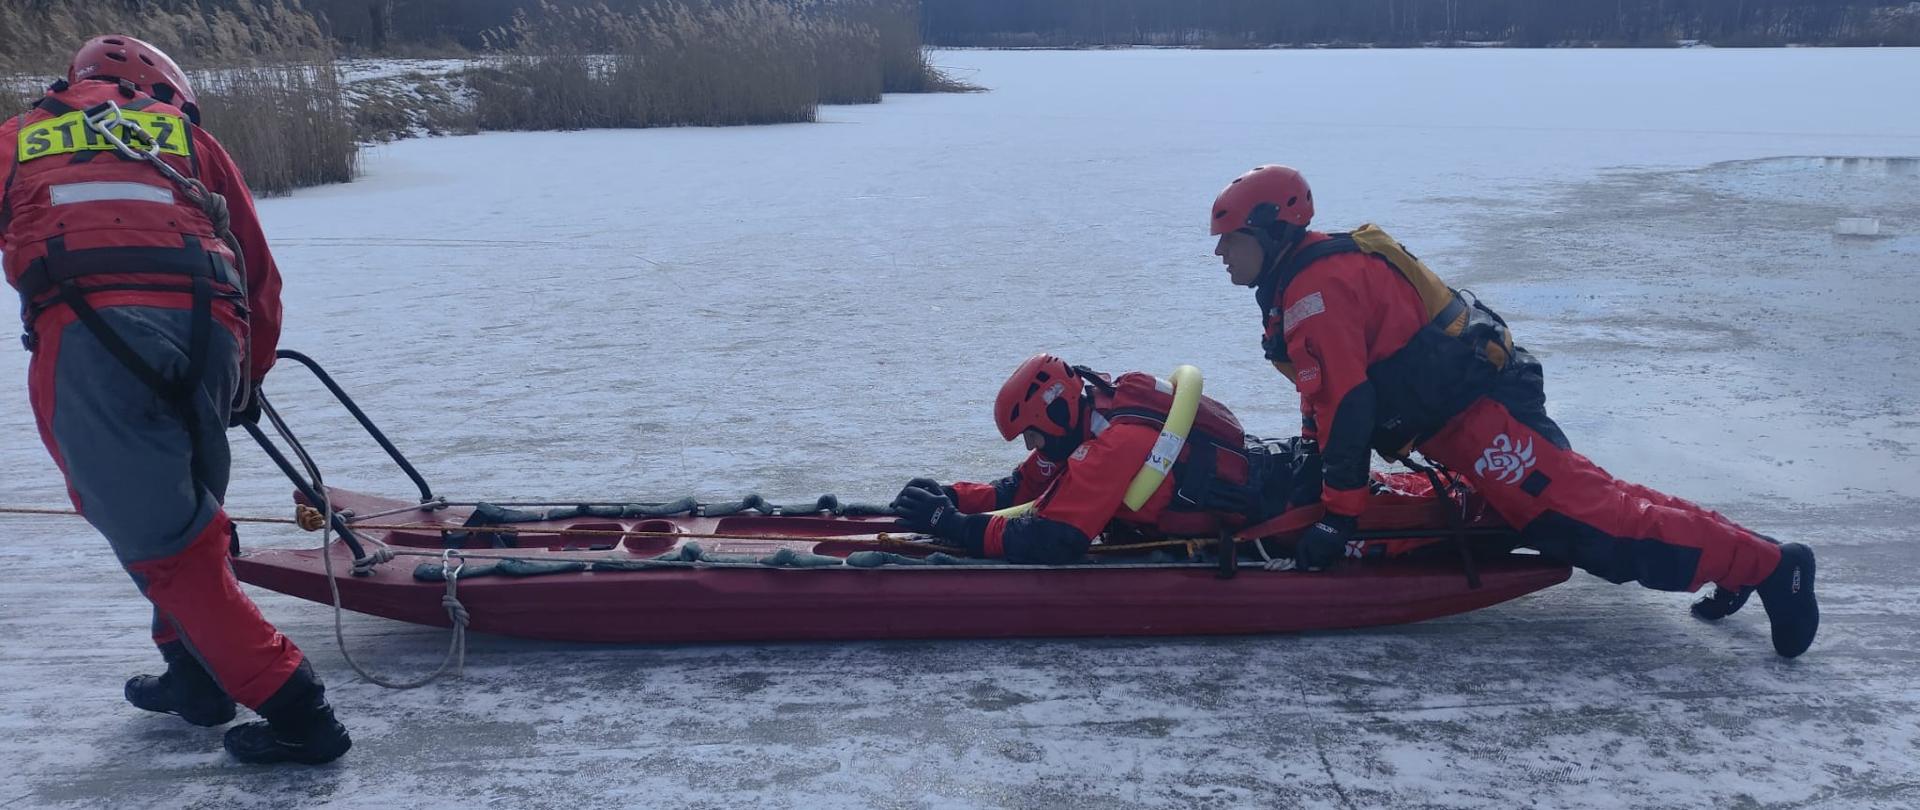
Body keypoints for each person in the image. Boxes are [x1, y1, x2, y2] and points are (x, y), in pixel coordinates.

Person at [1206, 164, 1818, 657]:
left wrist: (1340, 519)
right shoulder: (1306, 283)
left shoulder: (1317, 291)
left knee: (1589, 523)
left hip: (1481, 418)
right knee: (1594, 496)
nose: (1221, 255)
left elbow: (1350, 403)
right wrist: (1314, 462)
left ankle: (1771, 567)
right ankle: (1741, 558)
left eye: (1230, 241)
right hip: (1467, 415)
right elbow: (1326, 396)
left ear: (1270, 234)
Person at [2, 35, 350, 762]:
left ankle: (301, 713)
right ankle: (194, 675)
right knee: (183, 514)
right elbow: (256, 267)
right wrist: (247, 377)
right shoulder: (190, 140)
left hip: (93, 341)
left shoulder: (19, 138)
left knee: (167, 543)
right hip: (211, 336)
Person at [892, 354, 1286, 564]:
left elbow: (1053, 540)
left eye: (1032, 433)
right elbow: (1024, 489)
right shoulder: (1090, 414)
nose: (1031, 446)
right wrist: (953, 497)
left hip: (1270, 511)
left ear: (1054, 415)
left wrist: (953, 526)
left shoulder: (1111, 447)